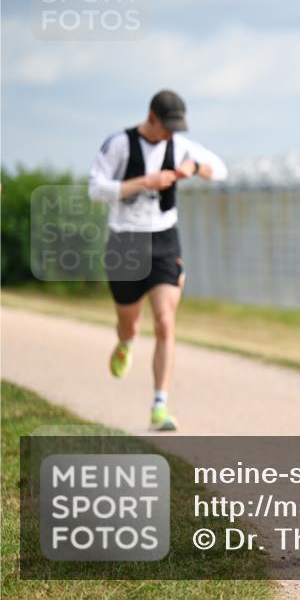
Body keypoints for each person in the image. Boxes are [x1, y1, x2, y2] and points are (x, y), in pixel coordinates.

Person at [88, 90, 227, 431]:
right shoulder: (118, 144)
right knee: (130, 323)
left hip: (164, 240)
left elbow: (220, 169)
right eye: (167, 127)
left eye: (176, 129)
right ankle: (125, 342)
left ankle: (160, 405)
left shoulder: (179, 147)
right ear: (151, 117)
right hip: (125, 241)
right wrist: (143, 183)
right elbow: (95, 189)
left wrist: (193, 168)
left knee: (165, 320)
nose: (171, 135)